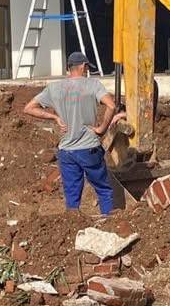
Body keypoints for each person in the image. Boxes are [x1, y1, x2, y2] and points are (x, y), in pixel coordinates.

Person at [24, 52, 119, 216]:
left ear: (69, 68)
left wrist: (54, 117)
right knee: (103, 189)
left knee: (72, 197)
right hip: (89, 148)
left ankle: (73, 226)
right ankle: (108, 222)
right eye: (87, 67)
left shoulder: (54, 88)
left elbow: (28, 108)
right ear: (82, 66)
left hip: (66, 151)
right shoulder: (93, 85)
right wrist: (102, 129)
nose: (87, 70)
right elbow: (111, 105)